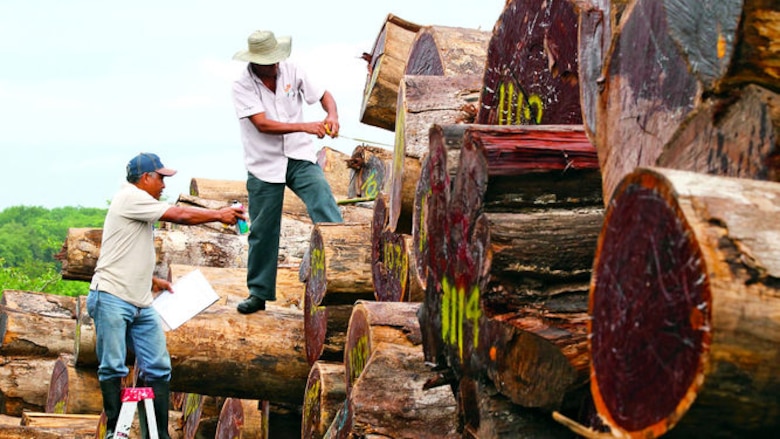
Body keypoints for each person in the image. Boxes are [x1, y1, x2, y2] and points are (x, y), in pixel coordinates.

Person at [88, 152, 245, 439]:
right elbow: (179, 215)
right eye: (160, 178)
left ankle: (158, 434)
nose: (163, 185)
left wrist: (152, 280)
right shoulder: (130, 197)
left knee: (159, 367)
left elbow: (123, 250)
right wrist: (218, 215)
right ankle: (113, 431)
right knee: (113, 365)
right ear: (145, 178)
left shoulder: (139, 203)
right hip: (112, 296)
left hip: (140, 302)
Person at [231, 30, 343, 314]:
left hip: (299, 155)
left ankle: (342, 267)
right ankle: (258, 293)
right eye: (268, 61)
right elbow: (262, 124)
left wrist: (331, 115)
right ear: (255, 61)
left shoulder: (292, 70)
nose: (275, 65)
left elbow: (324, 95)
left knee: (323, 200)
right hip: (264, 164)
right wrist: (306, 126)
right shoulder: (242, 85)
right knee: (263, 230)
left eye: (276, 59)